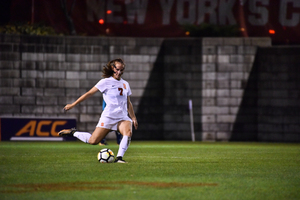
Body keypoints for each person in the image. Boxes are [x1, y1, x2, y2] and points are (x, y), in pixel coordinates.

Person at [58, 58, 138, 163]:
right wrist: (73, 104)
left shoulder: (125, 84)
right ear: (112, 68)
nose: (119, 72)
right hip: (109, 116)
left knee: (128, 132)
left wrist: (133, 118)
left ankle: (119, 158)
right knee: (93, 141)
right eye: (117, 69)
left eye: (121, 70)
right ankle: (73, 132)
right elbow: (89, 93)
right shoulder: (105, 82)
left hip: (122, 117)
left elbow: (128, 102)